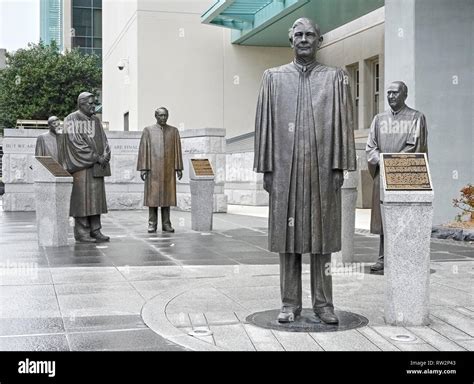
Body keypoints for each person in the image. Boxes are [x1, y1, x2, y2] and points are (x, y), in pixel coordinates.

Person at [254, 18, 356, 324]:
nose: (303, 39)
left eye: (309, 34)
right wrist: (266, 169)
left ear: (320, 40)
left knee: (321, 240)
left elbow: (344, 125)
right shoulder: (273, 78)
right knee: (289, 240)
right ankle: (289, 303)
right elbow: (264, 127)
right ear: (290, 40)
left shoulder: (335, 77)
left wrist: (340, 166)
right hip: (285, 172)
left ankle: (324, 304)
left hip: (322, 171)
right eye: (298, 34)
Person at [366, 81, 428, 272]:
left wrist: (392, 163)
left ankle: (405, 258)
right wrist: (381, 162)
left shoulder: (416, 118)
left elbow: (415, 146)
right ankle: (383, 258)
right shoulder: (379, 119)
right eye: (389, 93)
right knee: (384, 219)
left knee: (404, 220)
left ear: (405, 95)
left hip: (404, 176)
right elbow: (371, 147)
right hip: (383, 177)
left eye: (395, 93)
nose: (391, 96)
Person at [62, 92, 111, 243]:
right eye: (89, 103)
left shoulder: (95, 120)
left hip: (96, 168)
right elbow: (75, 144)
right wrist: (97, 157)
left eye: (94, 103)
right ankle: (82, 232)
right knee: (82, 200)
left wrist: (106, 153)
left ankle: (96, 230)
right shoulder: (71, 119)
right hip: (81, 168)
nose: (93, 106)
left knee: (96, 200)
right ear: (80, 104)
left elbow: (104, 140)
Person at [137, 107, 183, 233]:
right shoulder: (148, 130)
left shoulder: (173, 131)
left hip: (168, 169)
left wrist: (178, 167)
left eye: (165, 115)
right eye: (161, 115)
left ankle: (166, 223)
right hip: (153, 170)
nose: (163, 118)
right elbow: (143, 150)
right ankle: (152, 223)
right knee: (153, 198)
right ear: (156, 116)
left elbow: (177, 150)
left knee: (166, 198)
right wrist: (143, 168)